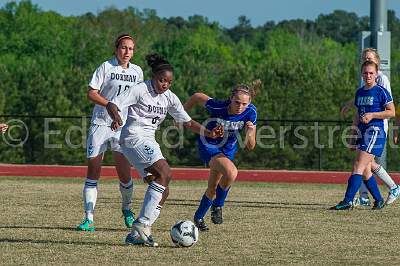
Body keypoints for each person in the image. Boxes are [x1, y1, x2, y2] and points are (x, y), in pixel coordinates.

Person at [105, 53, 223, 246]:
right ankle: (141, 224)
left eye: (169, 82)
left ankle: (137, 235)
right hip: (132, 138)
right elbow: (112, 104)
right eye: (162, 80)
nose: (165, 85)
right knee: (165, 172)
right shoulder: (140, 89)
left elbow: (187, 121)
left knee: (163, 190)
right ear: (154, 77)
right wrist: (116, 117)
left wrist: (209, 134)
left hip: (149, 142)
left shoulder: (170, 98)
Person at [76, 34, 144, 232]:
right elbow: (91, 92)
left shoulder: (137, 71)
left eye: (130, 49)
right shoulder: (106, 67)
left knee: (124, 173)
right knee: (93, 172)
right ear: (116, 49)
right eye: (123, 48)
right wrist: (109, 105)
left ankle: (127, 210)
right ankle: (89, 219)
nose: (127, 52)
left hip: (122, 127)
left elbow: (138, 99)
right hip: (101, 124)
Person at [184, 80, 260, 231]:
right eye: (237, 102)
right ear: (230, 98)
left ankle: (199, 217)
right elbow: (197, 96)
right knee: (231, 172)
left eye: (244, 104)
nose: (240, 107)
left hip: (228, 149)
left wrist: (250, 133)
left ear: (249, 102)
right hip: (209, 144)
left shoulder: (251, 112)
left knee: (212, 188)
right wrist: (181, 114)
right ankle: (218, 206)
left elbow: (251, 146)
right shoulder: (218, 106)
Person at [332, 60, 395, 210]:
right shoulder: (359, 92)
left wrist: (373, 115)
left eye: (371, 73)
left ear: (376, 74)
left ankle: (347, 201)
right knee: (366, 169)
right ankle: (379, 200)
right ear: (362, 74)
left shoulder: (381, 91)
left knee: (358, 166)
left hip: (375, 132)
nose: (368, 75)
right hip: (363, 132)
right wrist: (353, 134)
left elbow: (391, 112)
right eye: (365, 73)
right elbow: (357, 115)